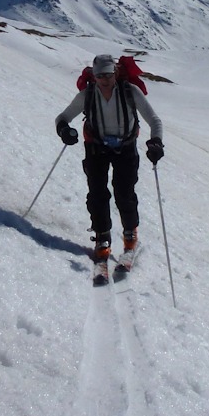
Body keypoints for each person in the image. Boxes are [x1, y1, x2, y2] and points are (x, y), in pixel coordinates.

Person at [55, 53, 164, 264]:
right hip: (96, 148)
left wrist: (156, 142)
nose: (105, 80)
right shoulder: (87, 95)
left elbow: (154, 120)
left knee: (125, 193)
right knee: (97, 194)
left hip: (126, 147)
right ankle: (102, 237)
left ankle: (130, 234)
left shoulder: (130, 92)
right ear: (94, 76)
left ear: (115, 73)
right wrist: (64, 130)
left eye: (108, 74)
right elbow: (63, 117)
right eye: (100, 76)